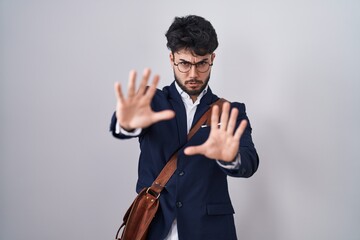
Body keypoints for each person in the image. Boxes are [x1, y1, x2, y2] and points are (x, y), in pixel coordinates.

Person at [110, 15, 259, 240]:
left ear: (212, 59)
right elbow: (122, 124)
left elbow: (249, 161)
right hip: (153, 228)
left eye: (201, 64)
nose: (192, 74)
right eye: (184, 63)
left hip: (211, 231)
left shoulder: (231, 111)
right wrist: (127, 125)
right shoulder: (151, 102)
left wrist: (231, 158)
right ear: (171, 59)